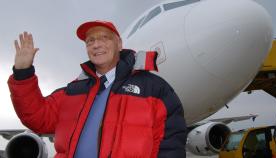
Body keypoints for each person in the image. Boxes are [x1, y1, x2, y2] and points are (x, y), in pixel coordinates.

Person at [8, 20, 187, 158]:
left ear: (119, 44)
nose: (96, 44)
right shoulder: (72, 91)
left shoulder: (155, 89)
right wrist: (23, 73)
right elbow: (36, 117)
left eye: (104, 38)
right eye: (90, 41)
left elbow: (171, 146)